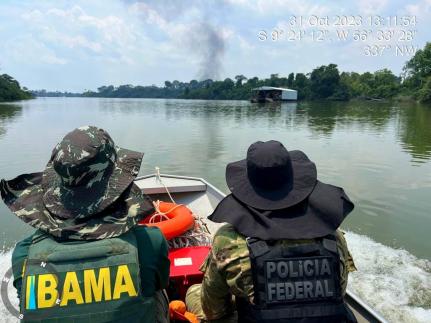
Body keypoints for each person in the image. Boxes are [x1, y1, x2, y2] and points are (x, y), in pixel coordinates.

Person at [0, 126, 170, 323]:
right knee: (158, 292)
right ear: (116, 184)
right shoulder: (149, 242)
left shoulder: (24, 252)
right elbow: (161, 282)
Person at [186, 140, 357, 323]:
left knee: (193, 293)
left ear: (248, 189)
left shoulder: (228, 241)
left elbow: (214, 311)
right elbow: (339, 292)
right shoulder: (333, 238)